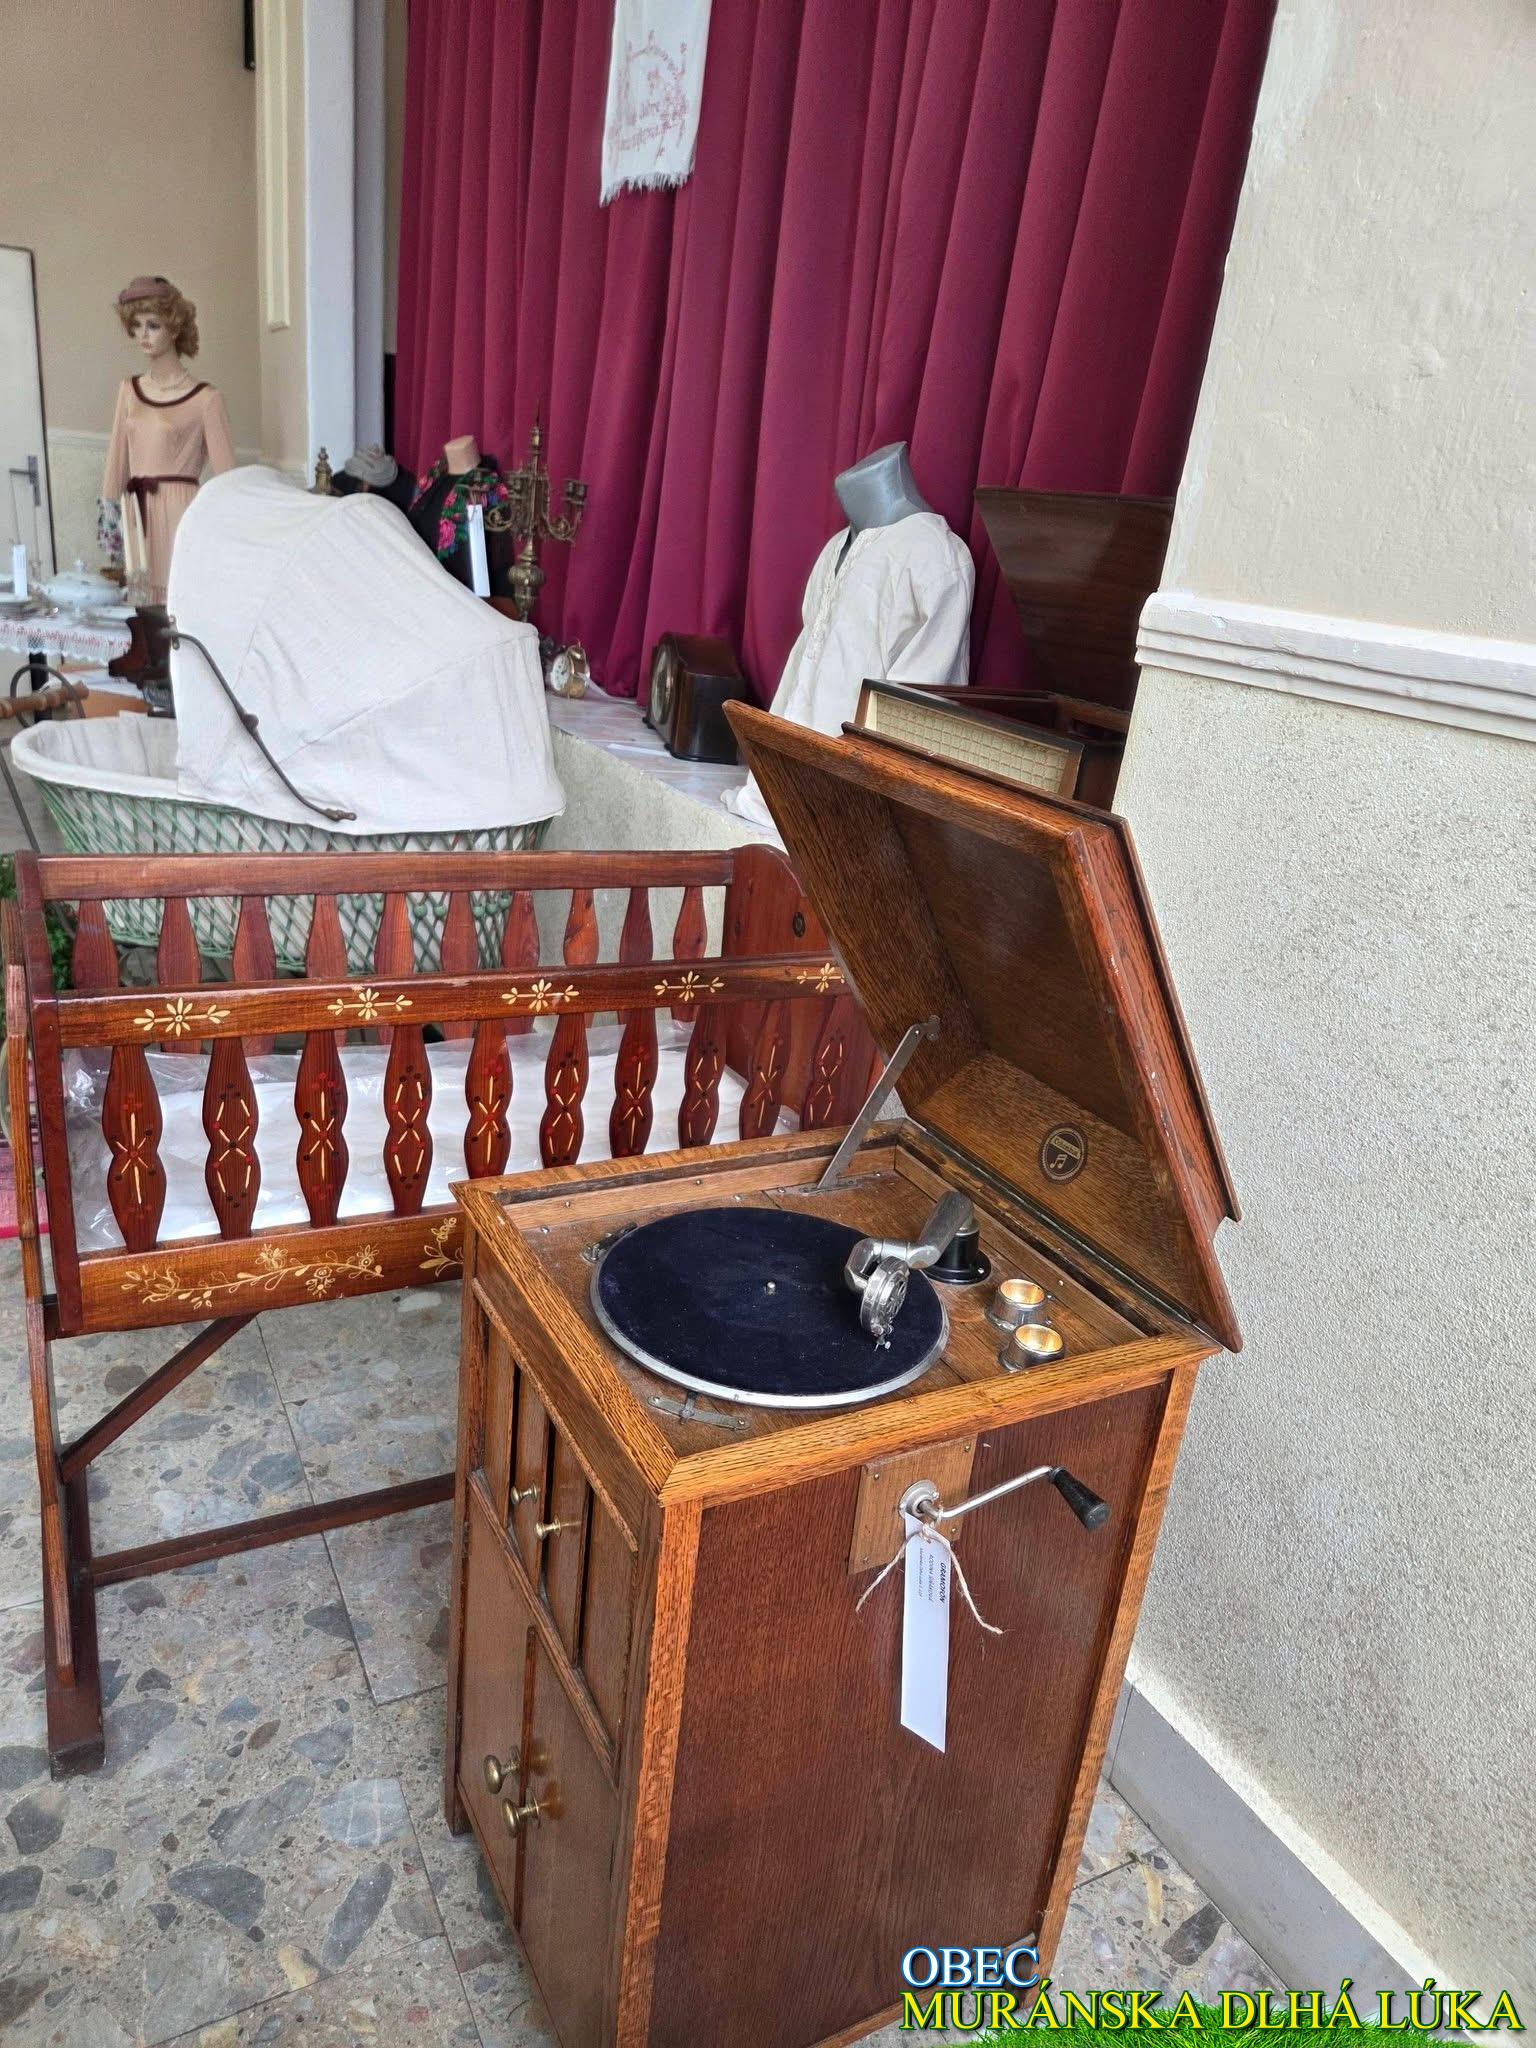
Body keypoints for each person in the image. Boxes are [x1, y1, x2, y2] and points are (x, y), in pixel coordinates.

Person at [103, 275, 235, 602]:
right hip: (137, 513)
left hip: (181, 514)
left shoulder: (206, 398)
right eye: (136, 326)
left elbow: (228, 480)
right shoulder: (129, 390)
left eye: (153, 325)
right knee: (138, 608)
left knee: (177, 605)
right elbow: (116, 462)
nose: (143, 335)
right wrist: (110, 524)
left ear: (174, 329)